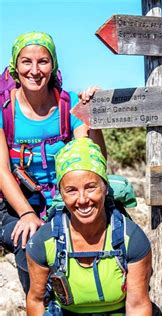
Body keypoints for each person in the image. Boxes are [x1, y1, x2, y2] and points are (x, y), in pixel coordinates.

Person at [0, 31, 105, 294]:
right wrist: (26, 214)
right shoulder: (3, 110)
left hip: (63, 200)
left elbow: (91, 159)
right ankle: (40, 303)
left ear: (53, 65)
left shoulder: (68, 105)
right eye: (26, 62)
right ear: (15, 66)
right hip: (16, 205)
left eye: (43, 62)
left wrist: (93, 115)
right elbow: (2, 170)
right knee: (32, 242)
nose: (34, 70)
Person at [26, 138, 152, 315]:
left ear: (105, 188)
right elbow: (36, 300)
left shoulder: (130, 238)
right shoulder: (44, 241)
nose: (83, 199)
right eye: (71, 190)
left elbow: (138, 305)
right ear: (60, 194)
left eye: (91, 187)